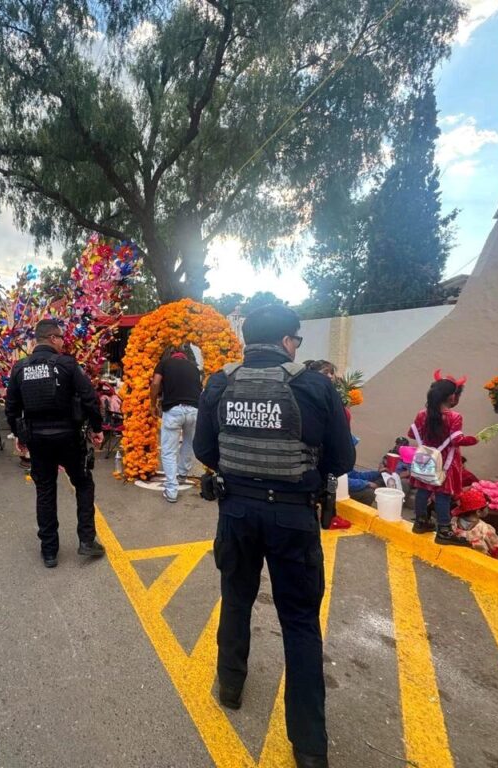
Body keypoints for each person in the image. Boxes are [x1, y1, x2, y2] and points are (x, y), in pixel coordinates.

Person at [192, 304, 354, 768]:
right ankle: (308, 748)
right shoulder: (314, 385)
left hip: (236, 512)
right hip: (292, 519)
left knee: (236, 597)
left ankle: (230, 685)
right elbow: (341, 460)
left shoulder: (220, 383)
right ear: (287, 341)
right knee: (300, 623)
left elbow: (204, 448)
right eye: (297, 341)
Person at [5, 319, 105, 568]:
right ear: (51, 338)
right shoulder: (67, 365)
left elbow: (12, 408)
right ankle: (86, 540)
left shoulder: (20, 368)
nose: (63, 342)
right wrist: (97, 428)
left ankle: (49, 551)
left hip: (38, 440)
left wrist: (20, 436)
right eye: (61, 337)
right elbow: (89, 398)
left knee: (45, 491)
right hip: (69, 437)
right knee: (83, 484)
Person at [408, 373, 478, 546]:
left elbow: (411, 433)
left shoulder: (422, 414)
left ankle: (420, 522)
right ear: (452, 397)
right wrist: (475, 439)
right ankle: (444, 531)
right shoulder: (454, 417)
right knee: (443, 496)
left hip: (426, 461)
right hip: (445, 463)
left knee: (423, 491)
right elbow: (456, 440)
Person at [151, 342, 202, 503]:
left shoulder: (164, 363)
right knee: (188, 443)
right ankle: (182, 473)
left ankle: (172, 490)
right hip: (194, 410)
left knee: (168, 451)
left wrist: (153, 404)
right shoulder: (193, 367)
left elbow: (155, 383)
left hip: (173, 410)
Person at [450, 488, 498, 560]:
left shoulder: (452, 523)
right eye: (486, 507)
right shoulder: (485, 529)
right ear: (478, 512)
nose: (488, 509)